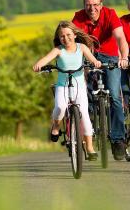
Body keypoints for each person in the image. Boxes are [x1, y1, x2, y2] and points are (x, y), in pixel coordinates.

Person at [72, 0, 129, 161]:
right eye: (88, 5)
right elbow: (70, 39)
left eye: (95, 4)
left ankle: (118, 140)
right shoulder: (78, 17)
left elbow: (120, 37)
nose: (92, 8)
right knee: (83, 96)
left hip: (109, 55)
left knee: (115, 96)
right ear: (84, 5)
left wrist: (124, 57)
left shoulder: (110, 14)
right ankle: (87, 134)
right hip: (88, 56)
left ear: (101, 5)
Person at [33, 21, 102, 161]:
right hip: (62, 86)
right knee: (60, 107)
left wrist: (96, 62)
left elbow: (92, 59)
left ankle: (89, 147)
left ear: (75, 35)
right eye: (62, 36)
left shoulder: (82, 47)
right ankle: (56, 125)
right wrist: (39, 65)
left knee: (84, 115)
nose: (66, 38)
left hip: (79, 87)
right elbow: (46, 59)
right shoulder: (58, 50)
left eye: (68, 35)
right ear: (59, 38)